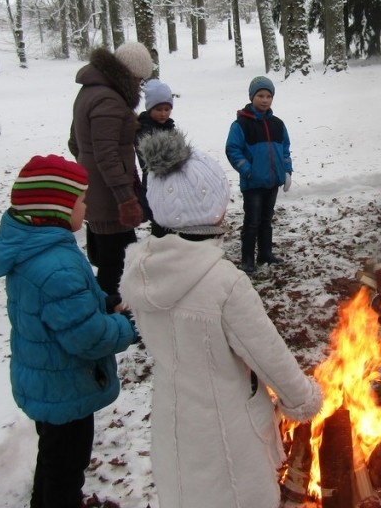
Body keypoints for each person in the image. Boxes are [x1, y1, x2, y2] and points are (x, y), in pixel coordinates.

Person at [120, 129, 322, 508]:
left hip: (173, 420)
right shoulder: (224, 283)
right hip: (228, 432)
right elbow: (267, 352)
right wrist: (302, 398)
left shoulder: (142, 273)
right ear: (213, 210)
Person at [0, 155, 140, 508]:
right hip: (64, 386)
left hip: (45, 380)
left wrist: (104, 303)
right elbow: (85, 336)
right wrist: (127, 326)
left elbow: (64, 308)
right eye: (80, 201)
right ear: (55, 209)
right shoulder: (55, 264)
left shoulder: (36, 248)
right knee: (66, 466)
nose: (86, 208)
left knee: (54, 458)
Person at [68, 42, 153, 296]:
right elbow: (107, 155)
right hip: (111, 198)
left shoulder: (90, 91)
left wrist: (88, 170)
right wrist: (126, 199)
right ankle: (115, 317)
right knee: (118, 264)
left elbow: (75, 143)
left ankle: (112, 312)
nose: (139, 84)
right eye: (139, 79)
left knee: (108, 257)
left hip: (97, 191)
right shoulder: (109, 100)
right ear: (128, 73)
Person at [225, 75, 292, 274]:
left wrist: (287, 171)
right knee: (252, 221)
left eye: (268, 96)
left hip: (272, 182)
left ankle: (265, 254)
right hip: (253, 184)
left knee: (266, 220)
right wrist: (247, 170)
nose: (264, 100)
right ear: (252, 97)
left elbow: (285, 149)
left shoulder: (278, 124)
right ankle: (247, 259)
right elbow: (232, 149)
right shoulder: (241, 124)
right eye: (260, 95)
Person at [135, 79, 176, 238]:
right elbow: (152, 160)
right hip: (154, 186)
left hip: (170, 186)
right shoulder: (144, 129)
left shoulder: (169, 126)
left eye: (167, 109)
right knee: (160, 226)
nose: (164, 113)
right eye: (159, 109)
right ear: (149, 107)